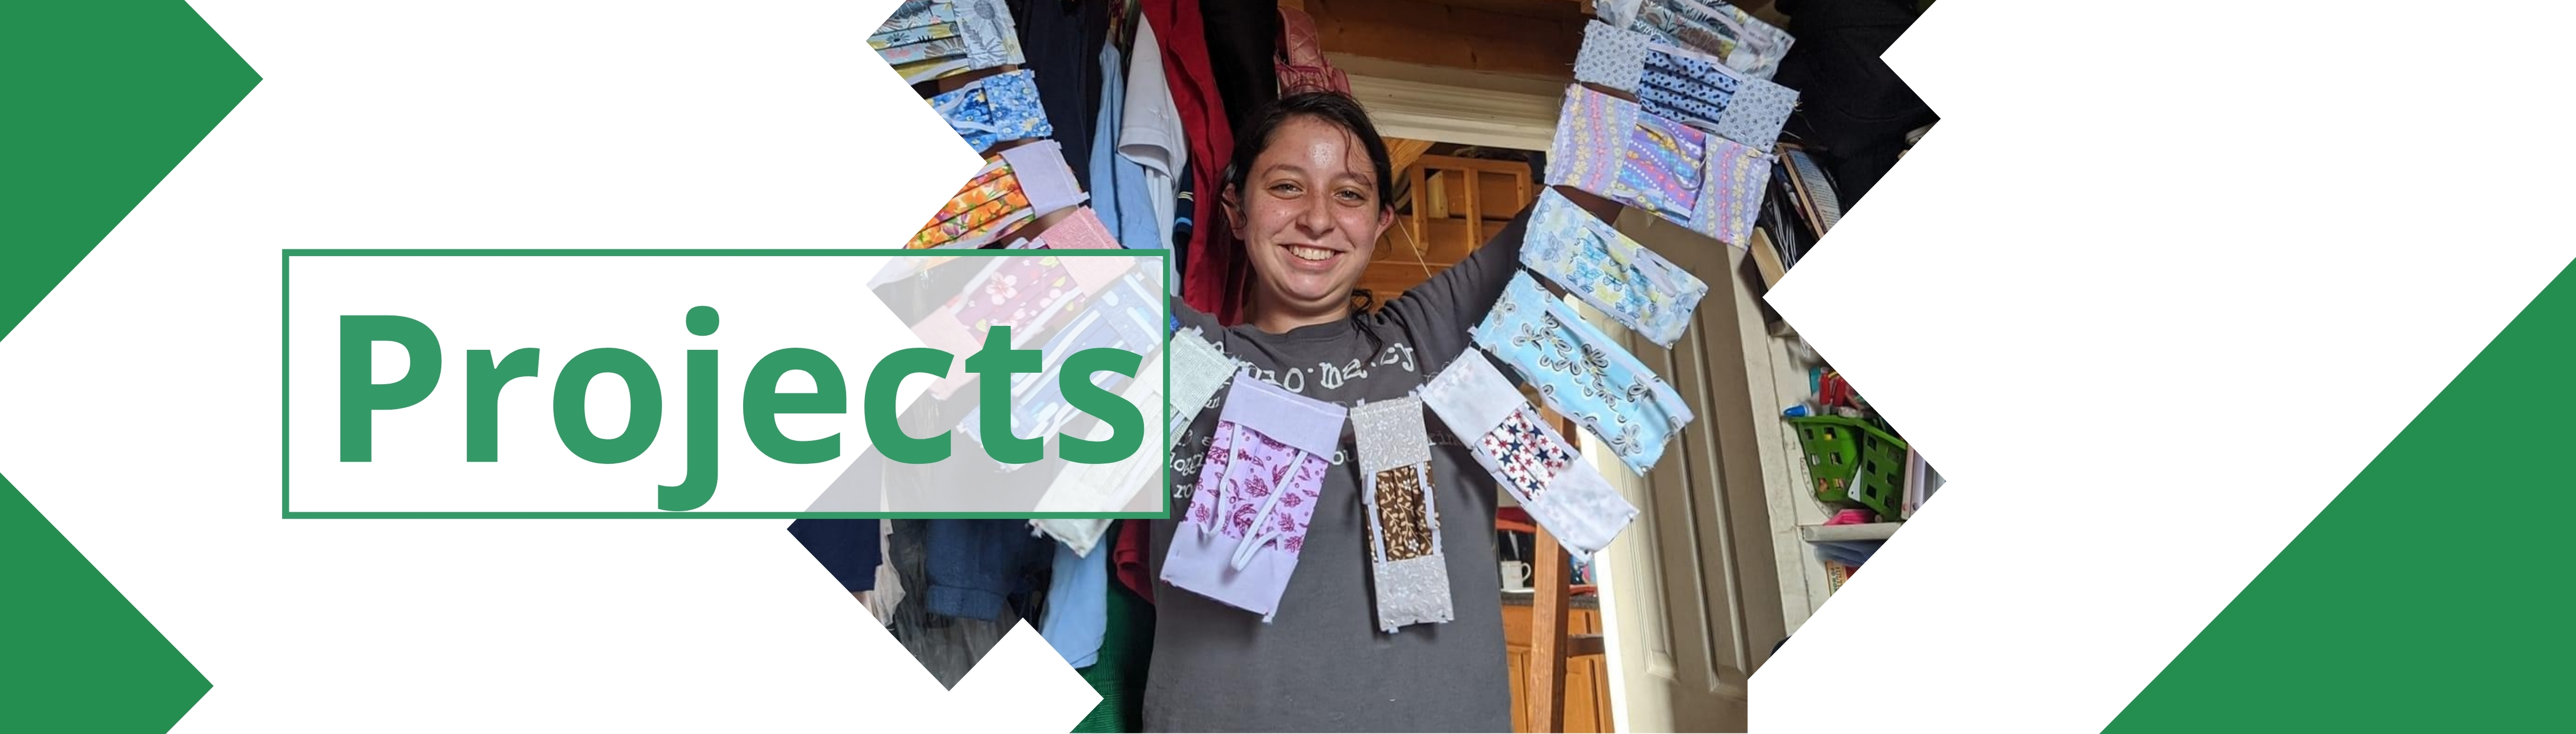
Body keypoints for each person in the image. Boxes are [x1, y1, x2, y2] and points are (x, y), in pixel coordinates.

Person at [1145, 91, 1612, 732]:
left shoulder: (1439, 339)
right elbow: (1021, 232)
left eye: (1350, 195)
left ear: (1381, 220)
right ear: (1235, 209)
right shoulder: (1175, 355)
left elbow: (1590, 196)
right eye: (1286, 186)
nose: (1317, 220)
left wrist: (1660, 46)